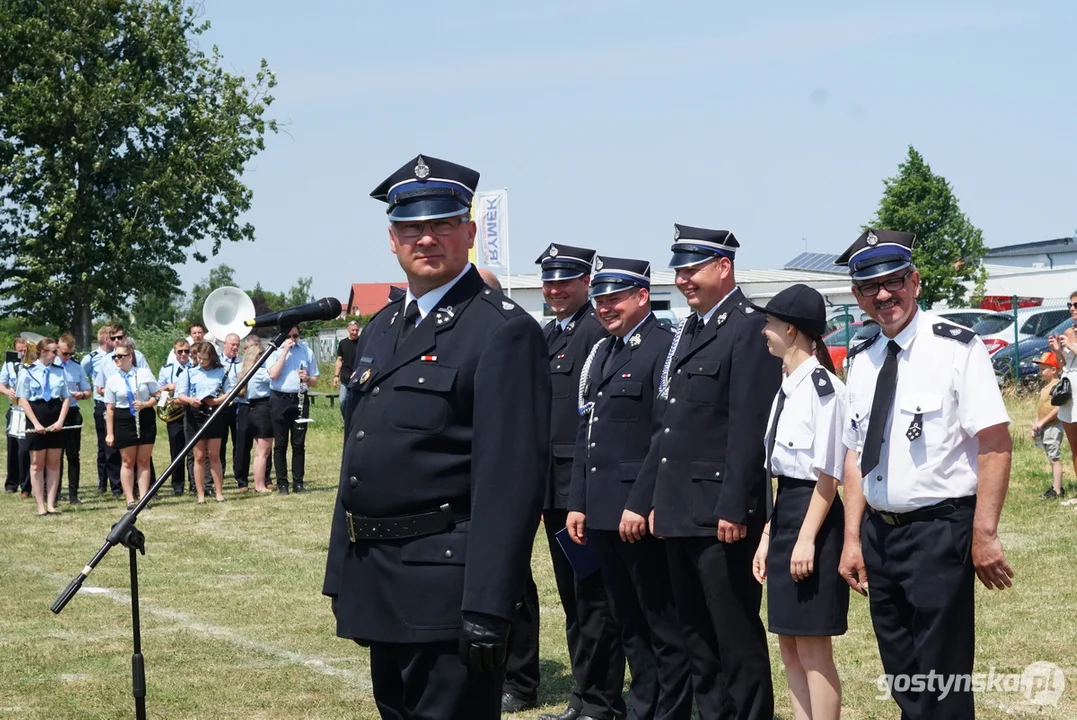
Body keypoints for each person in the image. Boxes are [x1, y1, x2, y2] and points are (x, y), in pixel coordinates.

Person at [323, 153, 551, 719]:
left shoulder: (502, 332)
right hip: (380, 580)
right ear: (392, 241)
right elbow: (361, 453)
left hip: (449, 590)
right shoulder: (383, 327)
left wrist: (490, 607)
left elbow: (511, 484)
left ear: (469, 232)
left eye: (443, 224)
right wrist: (341, 574)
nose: (427, 239)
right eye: (411, 228)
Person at [835, 229, 1014, 719]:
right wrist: (853, 539)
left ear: (915, 281)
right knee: (902, 672)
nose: (885, 295)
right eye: (871, 287)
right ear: (857, 296)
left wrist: (984, 534)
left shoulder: (957, 348)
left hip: (940, 532)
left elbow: (995, 444)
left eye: (895, 281)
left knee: (943, 674)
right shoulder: (861, 357)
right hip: (880, 534)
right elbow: (855, 453)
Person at [644, 224, 781, 720]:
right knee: (696, 634)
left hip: (722, 514)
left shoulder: (749, 327)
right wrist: (657, 498)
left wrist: (735, 504)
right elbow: (673, 427)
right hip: (681, 509)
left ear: (724, 267)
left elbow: (748, 427)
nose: (683, 280)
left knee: (735, 633)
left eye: (692, 269)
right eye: (678, 270)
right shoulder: (692, 328)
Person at [565, 256, 692, 720]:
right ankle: (644, 707)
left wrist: (641, 503)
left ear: (642, 296)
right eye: (599, 299)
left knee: (662, 624)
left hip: (635, 514)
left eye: (614, 298)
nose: (604, 307)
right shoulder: (604, 351)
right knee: (627, 623)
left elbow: (662, 436)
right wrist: (577, 503)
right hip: (600, 512)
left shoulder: (665, 347)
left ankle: (669, 712)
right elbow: (587, 432)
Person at [510, 242, 624, 720]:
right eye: (549, 281)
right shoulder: (550, 334)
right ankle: (586, 694)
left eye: (565, 281)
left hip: (580, 492)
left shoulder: (594, 334)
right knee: (575, 600)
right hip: (552, 492)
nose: (555, 289)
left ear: (586, 282)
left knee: (592, 598)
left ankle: (600, 700)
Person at [749, 285, 848, 720]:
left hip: (816, 517)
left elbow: (829, 474)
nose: (764, 333)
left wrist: (806, 539)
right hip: (788, 511)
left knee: (812, 647)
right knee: (788, 643)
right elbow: (781, 476)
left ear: (790, 330)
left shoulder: (824, 389)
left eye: (769, 325)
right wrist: (771, 535)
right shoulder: (786, 387)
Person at [93, 324, 151, 498]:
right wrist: (115, 391)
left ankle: (145, 493)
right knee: (121, 457)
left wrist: (145, 402)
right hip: (120, 411)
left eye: (119, 337)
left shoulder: (138, 358)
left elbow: (151, 387)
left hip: (141, 412)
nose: (116, 341)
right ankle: (120, 490)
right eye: (113, 338)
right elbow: (100, 388)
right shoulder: (105, 361)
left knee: (143, 458)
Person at [15, 338, 70, 515]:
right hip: (36, 415)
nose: (57, 355)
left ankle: (51, 503)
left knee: (54, 463)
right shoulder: (28, 371)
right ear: (44, 352)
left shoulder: (59, 371)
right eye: (54, 352)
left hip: (55, 415)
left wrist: (61, 421)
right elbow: (22, 399)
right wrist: (36, 423)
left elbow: (66, 397)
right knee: (37, 464)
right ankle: (40, 505)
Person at [104, 339, 160, 508]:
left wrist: (145, 404)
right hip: (123, 418)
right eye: (115, 357)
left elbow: (157, 395)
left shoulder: (143, 374)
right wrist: (110, 432)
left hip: (145, 416)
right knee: (127, 461)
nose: (117, 359)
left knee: (143, 460)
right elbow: (110, 408)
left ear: (130, 356)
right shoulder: (112, 380)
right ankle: (130, 499)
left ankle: (143, 497)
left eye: (120, 356)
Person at [177, 341, 233, 504]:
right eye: (199, 358)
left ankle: (219, 493)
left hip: (213, 413)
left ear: (212, 357)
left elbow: (229, 393)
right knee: (199, 456)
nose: (201, 361)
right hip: (195, 414)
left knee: (214, 455)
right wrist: (190, 400)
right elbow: (180, 394)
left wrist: (216, 401)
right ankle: (200, 494)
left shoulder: (221, 371)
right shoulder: (189, 372)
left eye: (205, 359)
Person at [267, 326, 318, 494]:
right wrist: (284, 352)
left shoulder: (306, 351)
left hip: (300, 399)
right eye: (288, 336)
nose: (292, 339)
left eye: (295, 335)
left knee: (298, 443)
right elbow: (273, 374)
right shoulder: (274, 351)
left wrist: (307, 378)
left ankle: (298, 482)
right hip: (279, 399)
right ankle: (282, 483)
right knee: (280, 444)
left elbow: (315, 381)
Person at [57, 334, 92, 505]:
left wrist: (82, 394)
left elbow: (88, 391)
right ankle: (54, 493)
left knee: (73, 455)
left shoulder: (76, 367)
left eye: (70, 354)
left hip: (72, 412)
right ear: (57, 348)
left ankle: (73, 495)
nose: (67, 357)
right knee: (55, 456)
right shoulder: (49, 366)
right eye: (64, 353)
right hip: (54, 413)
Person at [237, 335, 273, 493]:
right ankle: (259, 484)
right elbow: (274, 376)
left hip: (254, 409)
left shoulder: (248, 371)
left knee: (260, 452)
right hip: (263, 409)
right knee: (262, 453)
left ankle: (259, 483)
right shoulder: (259, 372)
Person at [157, 339, 193, 495]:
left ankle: (194, 483)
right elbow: (159, 394)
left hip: (192, 411)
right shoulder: (166, 370)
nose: (184, 354)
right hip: (174, 414)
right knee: (176, 449)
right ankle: (177, 485)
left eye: (186, 351)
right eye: (180, 351)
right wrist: (167, 387)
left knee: (193, 449)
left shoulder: (196, 367)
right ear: (175, 352)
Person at [1048, 293, 1077, 487]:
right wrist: (1058, 350)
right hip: (1068, 391)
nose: (1072, 308)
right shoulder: (1068, 331)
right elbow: (1062, 364)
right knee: (1074, 446)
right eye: (1070, 305)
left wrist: (1073, 346)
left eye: (1076, 305)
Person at [83, 326, 115, 494]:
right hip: (102, 402)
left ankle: (117, 483)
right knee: (103, 445)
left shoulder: (119, 355)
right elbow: (82, 374)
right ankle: (102, 483)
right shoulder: (92, 358)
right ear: (104, 338)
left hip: (117, 404)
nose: (115, 339)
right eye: (111, 336)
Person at [1031, 351, 1065, 500]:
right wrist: (1036, 423)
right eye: (1039, 369)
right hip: (1044, 426)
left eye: (1043, 369)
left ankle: (1057, 490)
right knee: (1050, 457)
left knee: (1054, 458)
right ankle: (1055, 487)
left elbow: (1058, 408)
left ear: (1053, 370)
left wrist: (1043, 422)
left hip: (1053, 427)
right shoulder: (1045, 387)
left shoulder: (1057, 385)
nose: (1040, 372)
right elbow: (1041, 408)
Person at [1, 337, 31, 496]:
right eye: (19, 350)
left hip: (30, 410)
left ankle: (26, 485)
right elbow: (1, 383)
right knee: (13, 447)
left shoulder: (34, 364)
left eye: (25, 349)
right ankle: (11, 484)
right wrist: (7, 391)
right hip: (15, 409)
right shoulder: (9, 364)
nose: (22, 353)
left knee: (25, 449)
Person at [218, 332, 243, 487]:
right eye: (232, 344)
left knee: (238, 442)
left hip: (237, 403)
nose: (235, 348)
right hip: (221, 405)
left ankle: (240, 477)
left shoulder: (241, 361)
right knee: (220, 442)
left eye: (237, 345)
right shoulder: (217, 361)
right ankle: (219, 475)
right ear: (224, 344)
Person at [333, 321, 361, 420]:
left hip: (358, 378)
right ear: (348, 330)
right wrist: (336, 376)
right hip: (345, 378)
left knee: (356, 402)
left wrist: (358, 372)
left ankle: (354, 421)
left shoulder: (362, 342)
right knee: (342, 401)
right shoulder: (343, 343)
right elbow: (339, 360)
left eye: (357, 330)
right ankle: (347, 421)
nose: (355, 332)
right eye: (353, 330)